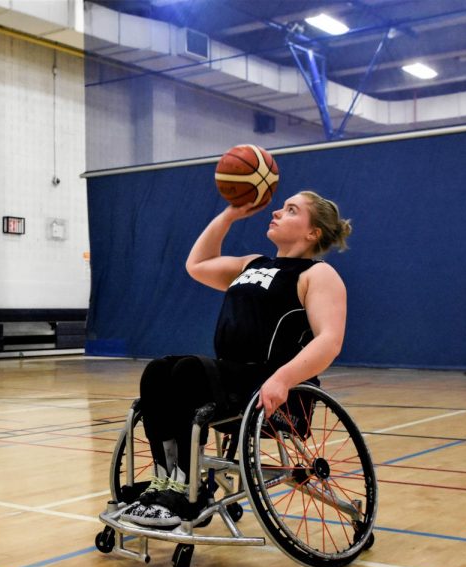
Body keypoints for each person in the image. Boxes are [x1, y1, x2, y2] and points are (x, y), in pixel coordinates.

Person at [121, 190, 353, 528]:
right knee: (158, 371)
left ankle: (188, 490)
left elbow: (330, 341)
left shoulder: (318, 275)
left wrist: (283, 379)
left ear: (312, 232)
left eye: (290, 210)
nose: (276, 212)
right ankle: (166, 483)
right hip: (229, 381)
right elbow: (196, 265)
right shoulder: (252, 263)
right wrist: (229, 214)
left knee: (188, 371)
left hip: (273, 389)